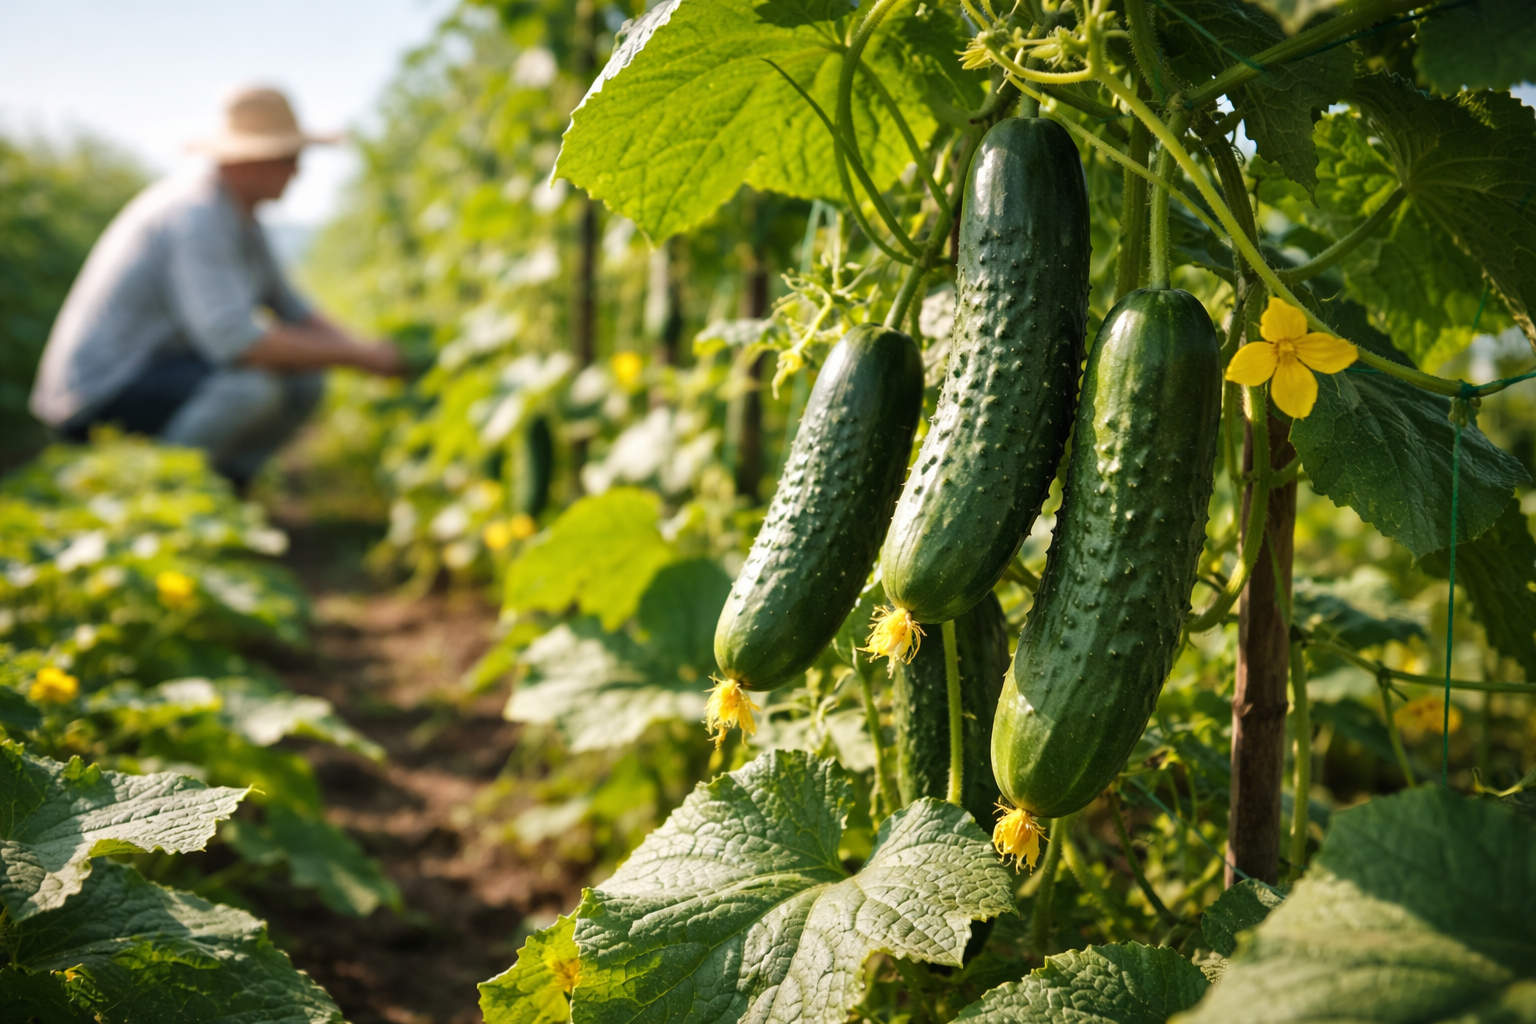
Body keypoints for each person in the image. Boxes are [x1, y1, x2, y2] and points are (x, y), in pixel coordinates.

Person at [28, 85, 404, 489]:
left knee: (305, 380)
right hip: (99, 394)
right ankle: (161, 496)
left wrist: (365, 349)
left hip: (156, 371)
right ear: (247, 163)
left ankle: (227, 488)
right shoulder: (196, 216)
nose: (298, 171)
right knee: (250, 387)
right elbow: (238, 341)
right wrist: (358, 356)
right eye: (288, 159)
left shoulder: (242, 220)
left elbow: (291, 306)